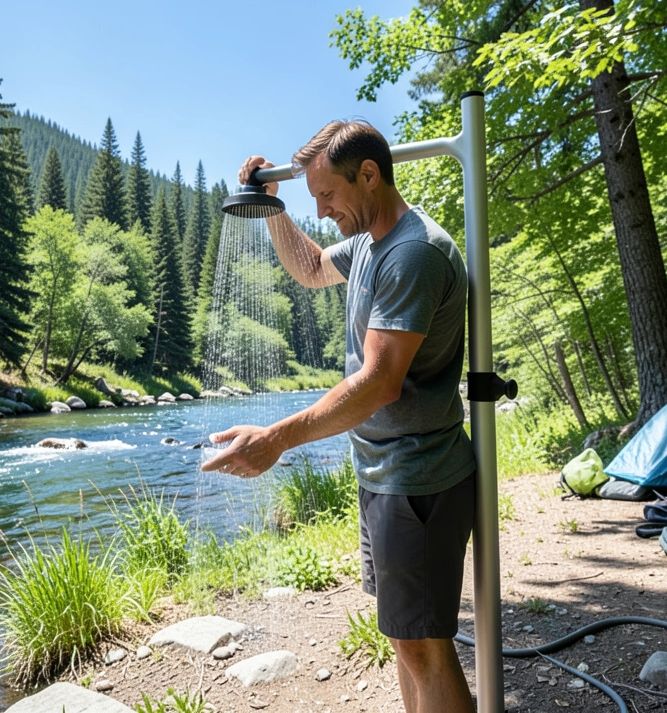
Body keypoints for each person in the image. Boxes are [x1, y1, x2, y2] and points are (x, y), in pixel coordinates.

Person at [201, 120, 475, 713]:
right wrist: (272, 210)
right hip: (384, 473)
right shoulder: (371, 242)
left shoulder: (412, 252)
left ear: (369, 174)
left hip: (419, 480)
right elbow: (309, 266)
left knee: (427, 649)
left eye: (327, 195)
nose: (322, 211)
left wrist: (275, 438)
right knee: (407, 644)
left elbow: (378, 383)